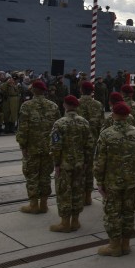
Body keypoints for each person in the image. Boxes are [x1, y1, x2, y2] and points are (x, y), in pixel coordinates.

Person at [94, 102, 135, 257]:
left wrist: (99, 182)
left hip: (112, 182)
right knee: (128, 211)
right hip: (131, 181)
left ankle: (114, 246)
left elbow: (100, 161)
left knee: (113, 213)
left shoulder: (106, 134)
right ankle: (126, 244)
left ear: (114, 115)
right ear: (128, 115)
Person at [49, 95, 92, 233]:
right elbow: (89, 144)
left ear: (64, 105)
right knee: (77, 191)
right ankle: (75, 221)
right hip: (79, 164)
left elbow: (56, 146)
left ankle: (65, 223)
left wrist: (56, 164)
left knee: (64, 192)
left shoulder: (59, 123)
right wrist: (86, 161)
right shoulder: (84, 122)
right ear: (77, 106)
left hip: (64, 165)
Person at [16, 80, 60, 214]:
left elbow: (23, 128)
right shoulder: (53, 106)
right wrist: (56, 147)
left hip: (32, 148)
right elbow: (58, 129)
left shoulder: (27, 106)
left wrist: (23, 145)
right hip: (49, 148)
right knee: (46, 175)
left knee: (32, 175)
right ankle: (44, 204)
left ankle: (34, 205)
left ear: (33, 90)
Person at [77, 81, 105, 206]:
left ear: (81, 90)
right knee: (89, 168)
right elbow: (102, 124)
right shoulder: (98, 104)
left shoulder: (76, 103)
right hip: (93, 140)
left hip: (78, 141)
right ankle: (88, 196)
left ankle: (80, 195)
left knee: (78, 169)